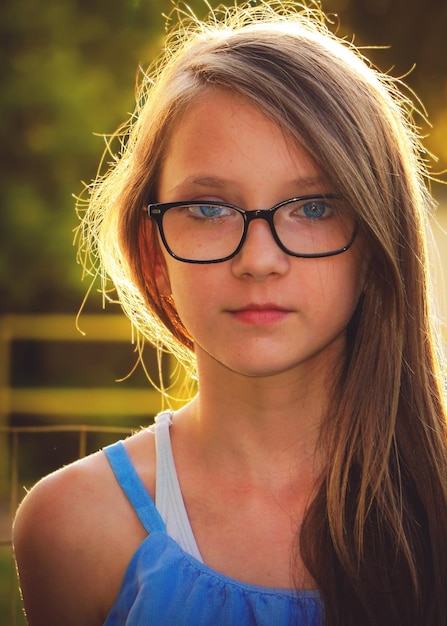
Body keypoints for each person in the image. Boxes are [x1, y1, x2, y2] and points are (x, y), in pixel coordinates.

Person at [13, 1, 447, 625]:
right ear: (153, 250)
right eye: (211, 209)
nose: (260, 260)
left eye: (314, 207)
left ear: (378, 245)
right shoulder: (75, 524)